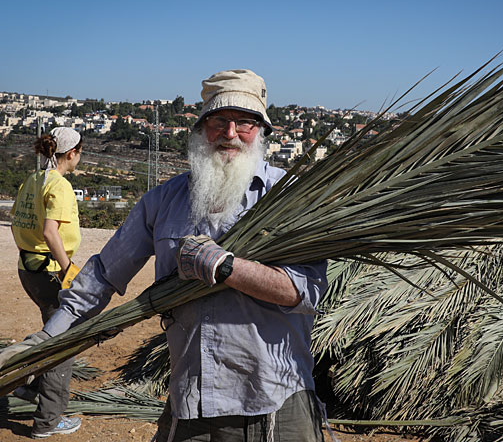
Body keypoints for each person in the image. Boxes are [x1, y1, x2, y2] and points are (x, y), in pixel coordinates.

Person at [8, 70, 329, 442]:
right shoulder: (163, 201)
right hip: (194, 401)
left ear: (262, 131)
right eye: (219, 121)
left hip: (275, 401)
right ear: (200, 128)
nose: (230, 133)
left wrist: (227, 267)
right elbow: (102, 275)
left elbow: (306, 293)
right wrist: (46, 340)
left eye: (245, 122)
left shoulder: (289, 199)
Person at [9, 126, 83, 438]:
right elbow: (51, 232)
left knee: (50, 330)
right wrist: (68, 271)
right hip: (50, 271)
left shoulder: (33, 180)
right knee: (62, 345)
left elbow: (16, 221)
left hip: (29, 268)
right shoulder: (59, 186)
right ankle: (48, 421)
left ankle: (30, 388)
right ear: (72, 154)